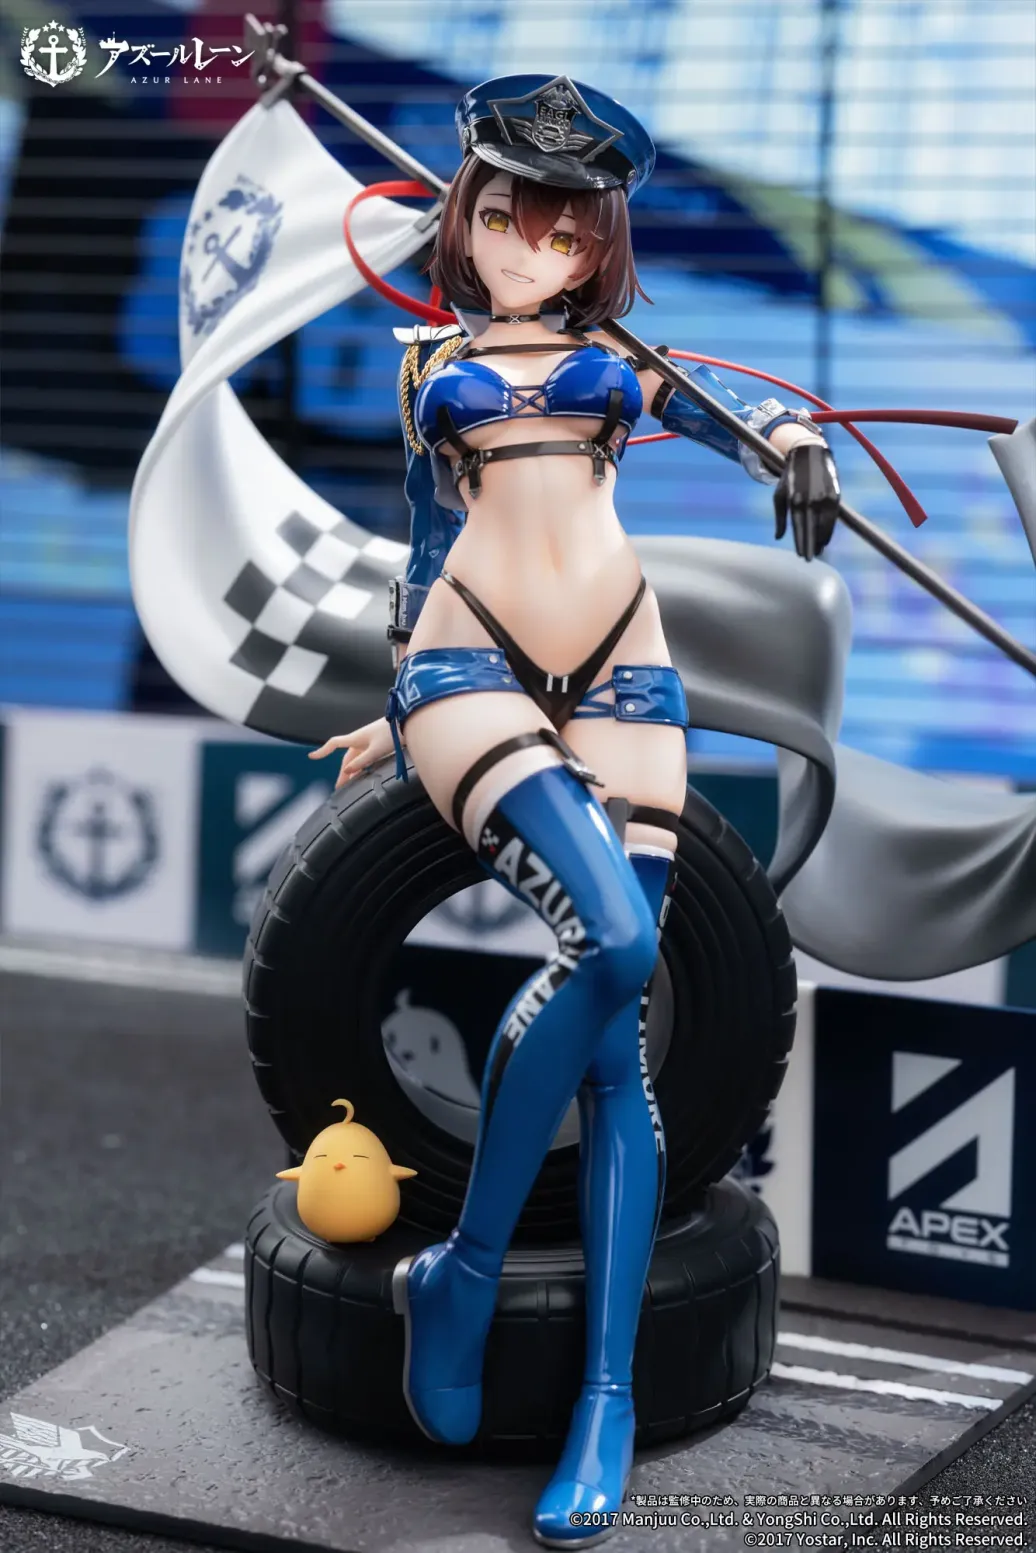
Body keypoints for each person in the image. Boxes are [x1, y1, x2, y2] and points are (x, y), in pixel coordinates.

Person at [311, 74, 840, 1549]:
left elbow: (738, 417)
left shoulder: (621, 363)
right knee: (612, 944)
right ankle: (470, 1270)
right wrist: (393, 705)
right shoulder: (431, 363)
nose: (530, 247)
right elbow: (425, 544)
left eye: (565, 230)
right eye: (504, 217)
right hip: (468, 660)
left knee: (624, 1060)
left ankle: (603, 1400)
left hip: (628, 669)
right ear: (463, 219)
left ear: (600, 244)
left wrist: (797, 447)